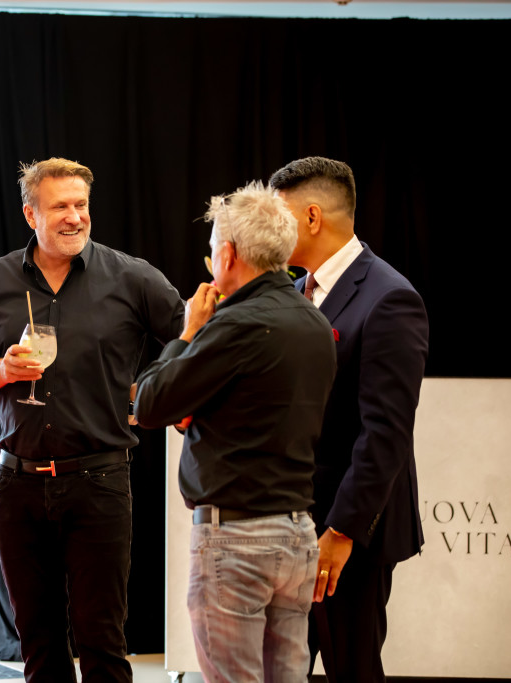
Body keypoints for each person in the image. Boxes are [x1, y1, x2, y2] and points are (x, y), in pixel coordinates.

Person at [0, 158, 184, 682]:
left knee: (102, 640)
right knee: (38, 643)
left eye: (81, 205)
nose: (74, 217)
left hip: (99, 480)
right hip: (18, 486)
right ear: (31, 215)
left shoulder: (132, 276)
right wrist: (2, 370)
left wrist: (151, 391)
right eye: (60, 207)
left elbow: (193, 342)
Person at [134, 181, 337, 682]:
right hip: (297, 532)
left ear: (227, 253)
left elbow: (151, 403)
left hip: (237, 537)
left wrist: (188, 332)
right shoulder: (314, 321)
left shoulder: (236, 324)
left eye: (212, 251)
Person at [269, 157, 430, 682]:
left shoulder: (390, 297)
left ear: (312, 217)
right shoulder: (295, 291)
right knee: (280, 668)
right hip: (290, 521)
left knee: (352, 668)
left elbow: (385, 432)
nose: (269, 230)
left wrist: (340, 531)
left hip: (348, 532)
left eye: (278, 216)